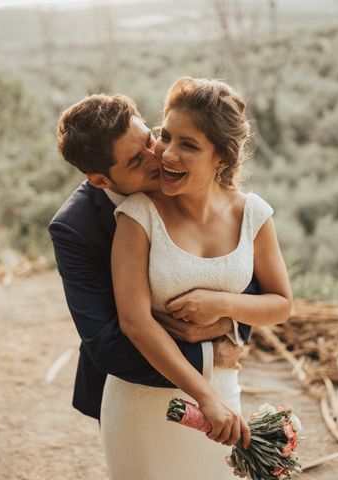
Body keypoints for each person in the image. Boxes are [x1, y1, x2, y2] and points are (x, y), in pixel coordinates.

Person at [105, 77, 292, 479]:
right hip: (142, 399)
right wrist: (204, 398)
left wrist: (221, 304)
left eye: (188, 145)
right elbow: (134, 322)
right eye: (166, 136)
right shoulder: (139, 214)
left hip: (222, 390)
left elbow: (281, 304)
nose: (166, 154)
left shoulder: (254, 215)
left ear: (221, 158)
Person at [49, 93, 255, 422]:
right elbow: (106, 342)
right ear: (101, 180)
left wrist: (228, 319)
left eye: (150, 139)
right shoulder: (74, 229)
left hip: (217, 387)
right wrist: (209, 354)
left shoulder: (181, 177)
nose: (158, 156)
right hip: (130, 387)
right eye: (135, 161)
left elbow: (246, 274)